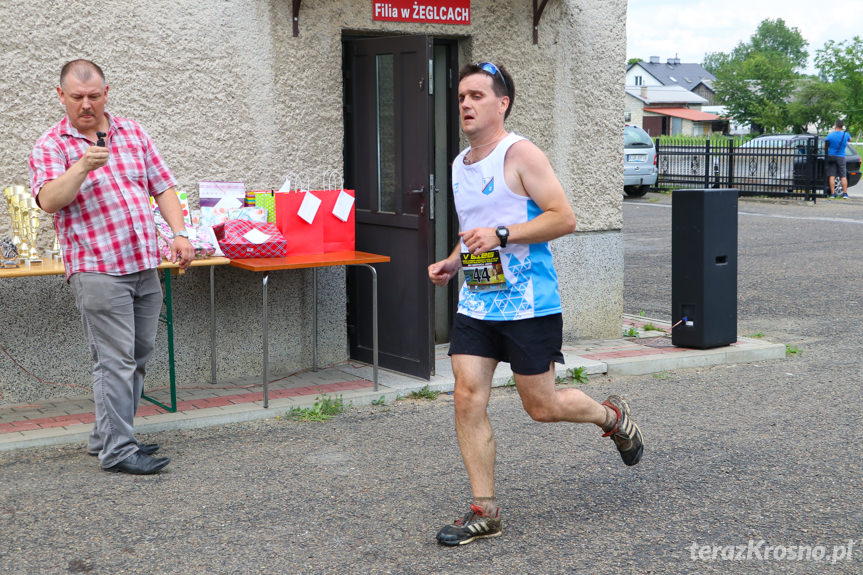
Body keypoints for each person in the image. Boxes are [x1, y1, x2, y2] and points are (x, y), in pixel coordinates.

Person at [427, 62, 644, 546]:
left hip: (529, 304)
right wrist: (453, 261)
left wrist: (503, 234)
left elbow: (563, 218)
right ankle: (485, 511)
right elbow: (478, 231)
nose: (465, 103)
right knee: (466, 396)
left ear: (501, 103)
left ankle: (611, 417)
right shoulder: (460, 166)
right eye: (462, 96)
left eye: (477, 95)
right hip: (479, 303)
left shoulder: (521, 153)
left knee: (542, 407)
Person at [29, 60, 194, 475]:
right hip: (97, 269)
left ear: (107, 92)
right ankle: (119, 451)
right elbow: (49, 200)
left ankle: (106, 435)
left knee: (138, 355)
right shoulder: (51, 145)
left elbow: (164, 186)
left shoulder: (133, 132)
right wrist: (82, 166)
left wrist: (180, 233)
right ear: (60, 95)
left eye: (94, 95)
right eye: (77, 97)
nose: (86, 104)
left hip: (143, 263)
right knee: (114, 361)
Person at [825, 120, 851, 198]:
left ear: (835, 126)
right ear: (842, 126)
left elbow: (825, 146)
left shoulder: (830, 135)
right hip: (841, 156)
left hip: (831, 156)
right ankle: (845, 194)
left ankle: (832, 194)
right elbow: (850, 140)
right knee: (843, 176)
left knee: (832, 176)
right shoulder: (846, 135)